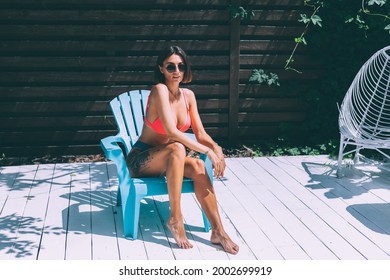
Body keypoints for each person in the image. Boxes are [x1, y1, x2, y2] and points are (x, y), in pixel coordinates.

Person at [126, 46, 239, 255]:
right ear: (161, 68)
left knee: (197, 165)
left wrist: (216, 148)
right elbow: (172, 131)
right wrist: (208, 153)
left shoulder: (188, 95)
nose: (176, 70)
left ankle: (218, 232)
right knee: (178, 147)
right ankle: (176, 218)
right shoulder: (159, 90)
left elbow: (201, 133)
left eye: (180, 66)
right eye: (170, 66)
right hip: (141, 160)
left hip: (170, 158)